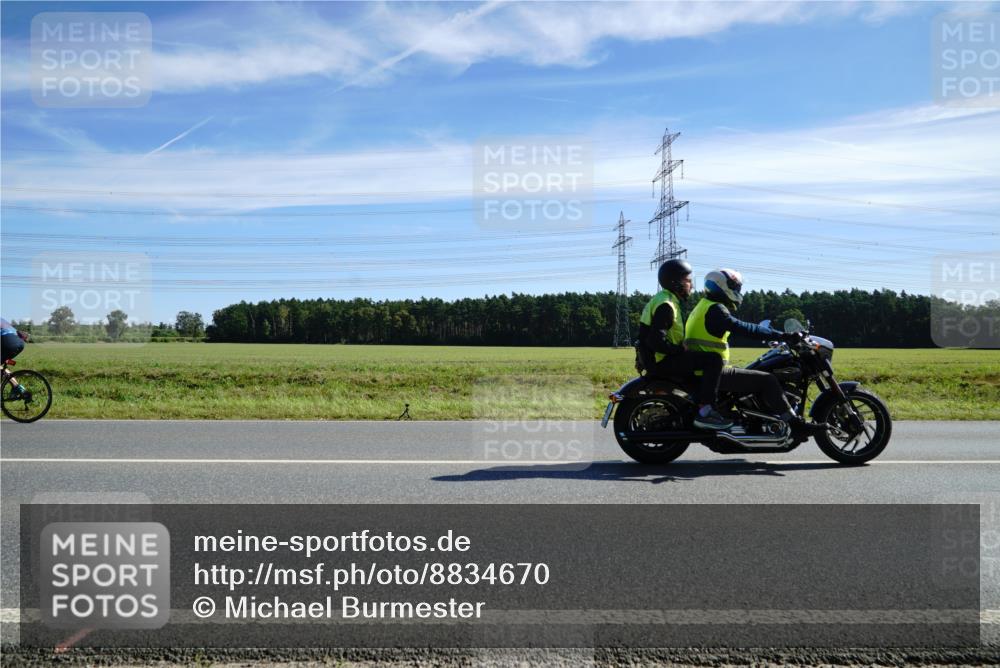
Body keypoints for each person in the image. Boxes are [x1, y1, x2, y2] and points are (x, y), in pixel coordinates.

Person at [684, 269, 825, 437]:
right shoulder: (716, 310)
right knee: (767, 380)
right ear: (722, 286)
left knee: (756, 372)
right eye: (735, 287)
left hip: (705, 370)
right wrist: (782, 336)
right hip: (710, 372)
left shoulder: (702, 306)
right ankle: (795, 425)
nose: (737, 292)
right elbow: (744, 328)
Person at [638, 259, 731, 430]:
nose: (691, 286)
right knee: (713, 360)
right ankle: (706, 411)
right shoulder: (667, 305)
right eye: (688, 281)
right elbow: (655, 341)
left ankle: (697, 406)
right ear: (676, 282)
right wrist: (679, 349)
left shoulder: (663, 299)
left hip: (655, 359)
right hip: (661, 360)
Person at [1, 317, 30, 400]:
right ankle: (17, 388)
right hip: (19, 344)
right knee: (1, 367)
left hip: (7, 342)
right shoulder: (6, 326)